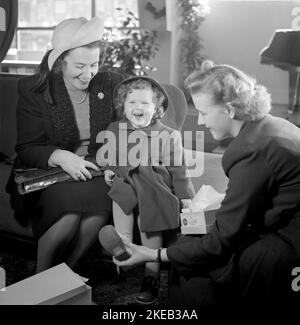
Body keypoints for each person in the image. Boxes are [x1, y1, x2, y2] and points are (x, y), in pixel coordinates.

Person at [113, 60, 300, 306]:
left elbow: (224, 238)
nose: (200, 122)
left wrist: (152, 254)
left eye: (202, 112)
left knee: (192, 275)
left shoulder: (250, 151)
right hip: (283, 223)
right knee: (192, 238)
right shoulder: (274, 125)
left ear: (230, 109)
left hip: (285, 243)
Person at [6, 17, 123, 273]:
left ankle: (66, 276)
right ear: (60, 62)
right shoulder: (34, 90)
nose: (89, 73)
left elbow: (134, 112)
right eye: (80, 66)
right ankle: (42, 277)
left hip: (94, 172)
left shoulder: (110, 83)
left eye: (94, 64)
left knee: (97, 213)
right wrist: (60, 156)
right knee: (68, 216)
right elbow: (26, 148)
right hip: (51, 173)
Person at [97, 76, 195, 304]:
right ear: (123, 106)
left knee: (149, 226)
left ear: (157, 108)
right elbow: (109, 155)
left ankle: (151, 277)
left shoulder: (169, 135)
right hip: (126, 187)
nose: (137, 108)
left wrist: (186, 199)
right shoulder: (115, 129)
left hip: (155, 191)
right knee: (121, 204)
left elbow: (179, 170)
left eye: (144, 103)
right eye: (132, 103)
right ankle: (121, 249)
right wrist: (109, 170)